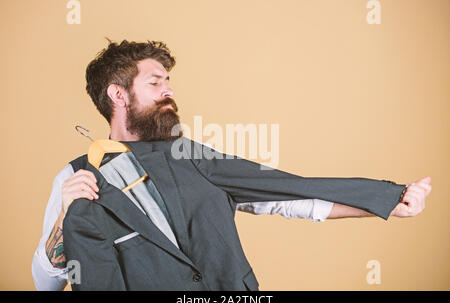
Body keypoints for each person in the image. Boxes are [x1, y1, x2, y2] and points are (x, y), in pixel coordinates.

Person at [32, 39, 432, 290]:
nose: (169, 90)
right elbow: (45, 285)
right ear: (118, 94)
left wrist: (385, 202)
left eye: (168, 81)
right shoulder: (75, 178)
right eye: (155, 82)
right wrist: (63, 220)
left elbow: (287, 195)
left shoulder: (197, 157)